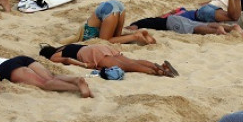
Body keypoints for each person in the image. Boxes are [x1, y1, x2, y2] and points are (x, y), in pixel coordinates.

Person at [0, 56, 93, 98]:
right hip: (20, 59)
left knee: (44, 83)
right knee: (51, 76)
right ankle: (76, 80)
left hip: (6, 68)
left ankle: (76, 88)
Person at [39, 43, 178, 77]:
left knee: (125, 67)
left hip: (89, 53)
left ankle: (156, 72)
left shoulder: (53, 56)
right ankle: (161, 66)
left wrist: (85, 65)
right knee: (131, 61)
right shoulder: (64, 46)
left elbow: (67, 60)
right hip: (99, 46)